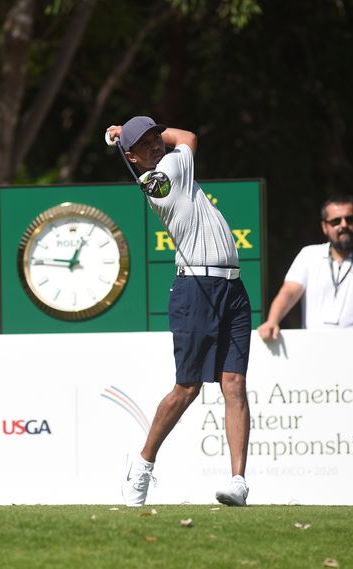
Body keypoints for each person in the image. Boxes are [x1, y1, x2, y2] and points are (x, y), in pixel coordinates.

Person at [105, 116, 252, 507]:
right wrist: (134, 136)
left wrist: (126, 133)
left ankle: (238, 482)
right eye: (146, 143)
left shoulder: (166, 168)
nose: (157, 144)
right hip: (196, 289)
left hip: (232, 287)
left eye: (156, 137)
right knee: (187, 388)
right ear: (132, 157)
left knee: (234, 383)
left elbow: (177, 140)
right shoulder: (168, 173)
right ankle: (142, 466)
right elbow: (187, 136)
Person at [257, 195, 353, 340]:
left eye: (350, 219)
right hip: (315, 347)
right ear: (324, 227)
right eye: (336, 221)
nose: (344, 225)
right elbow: (289, 292)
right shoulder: (308, 255)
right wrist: (272, 321)